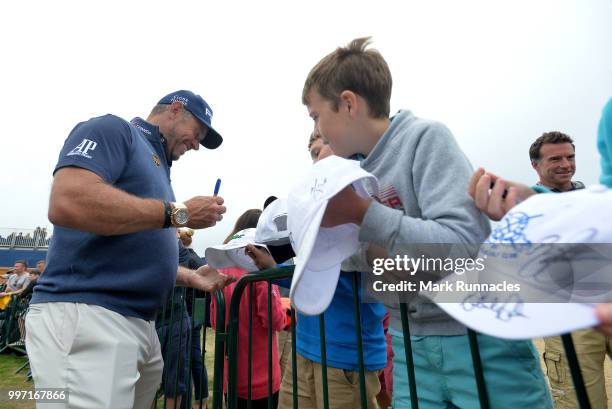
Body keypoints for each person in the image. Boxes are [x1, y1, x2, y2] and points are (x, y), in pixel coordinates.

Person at [301, 37, 553, 409]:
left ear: (348, 103)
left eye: (316, 115)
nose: (318, 131)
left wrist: (361, 214)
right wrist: (322, 239)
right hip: (410, 343)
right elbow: (371, 259)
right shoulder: (352, 172)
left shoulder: (425, 138)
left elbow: (462, 248)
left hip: (477, 341)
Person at [25, 90, 235, 409]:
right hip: (89, 313)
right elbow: (67, 200)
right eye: (198, 132)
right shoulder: (115, 130)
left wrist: (191, 278)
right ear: (175, 110)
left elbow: (129, 252)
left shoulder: (158, 167)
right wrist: (179, 213)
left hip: (136, 323)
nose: (196, 144)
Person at [470, 98, 612, 409]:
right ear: (535, 165)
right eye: (555, 159)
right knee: (581, 402)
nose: (565, 164)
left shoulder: (593, 197)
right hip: (569, 322)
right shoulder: (528, 208)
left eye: (570, 156)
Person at [271, 131, 387, 409]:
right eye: (313, 151)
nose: (320, 155)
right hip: (304, 349)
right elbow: (310, 269)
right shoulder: (312, 207)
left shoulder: (368, 193)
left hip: (346, 357)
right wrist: (271, 268)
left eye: (328, 144)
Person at [210, 209, 286, 409]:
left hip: (231, 377)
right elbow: (275, 321)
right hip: (262, 379)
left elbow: (215, 321)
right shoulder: (260, 271)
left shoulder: (221, 269)